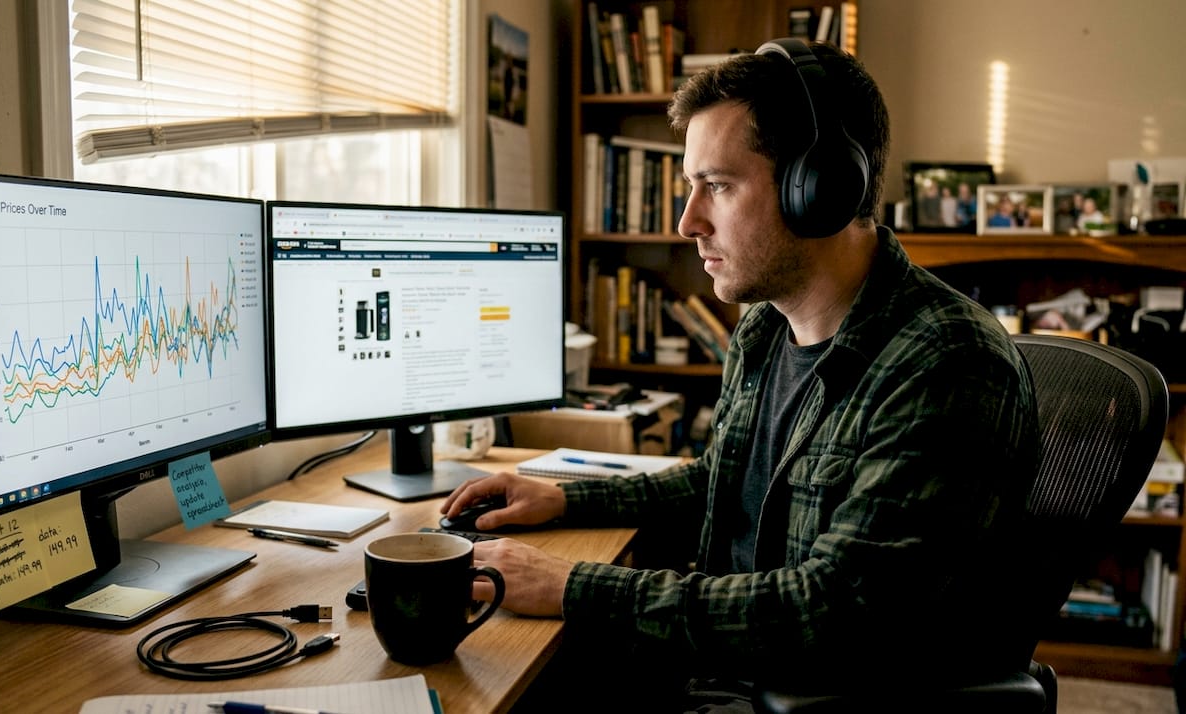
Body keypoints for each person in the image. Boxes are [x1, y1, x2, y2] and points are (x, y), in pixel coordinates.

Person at [443, 39, 1039, 711]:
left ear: (819, 188)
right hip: (725, 662)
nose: (687, 222)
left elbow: (833, 609)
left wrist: (574, 586)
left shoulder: (946, 363)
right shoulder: (766, 327)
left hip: (813, 693)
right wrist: (565, 500)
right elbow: (721, 480)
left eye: (718, 186)